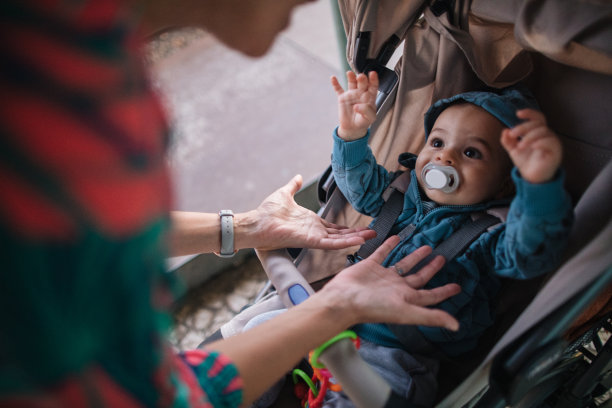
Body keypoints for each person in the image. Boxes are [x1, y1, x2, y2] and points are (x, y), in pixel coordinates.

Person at [0, 1, 462, 407]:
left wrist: (243, 228)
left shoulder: (75, 57)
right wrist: (331, 308)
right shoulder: (55, 100)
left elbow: (82, 234)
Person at [318, 70, 574, 406]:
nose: (444, 157)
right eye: (437, 142)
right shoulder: (399, 193)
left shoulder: (491, 235)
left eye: (471, 153)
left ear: (505, 183)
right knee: (263, 324)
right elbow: (357, 183)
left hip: (397, 354)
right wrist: (351, 135)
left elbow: (533, 250)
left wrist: (538, 184)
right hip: (332, 317)